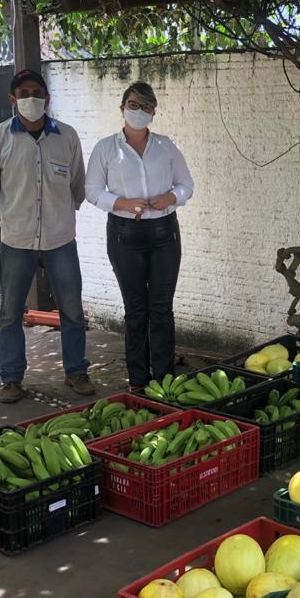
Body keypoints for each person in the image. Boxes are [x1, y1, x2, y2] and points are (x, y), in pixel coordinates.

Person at [0, 69, 95, 403]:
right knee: (10, 312)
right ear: (12, 99)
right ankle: (11, 378)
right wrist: (8, 216)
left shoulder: (67, 136)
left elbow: (78, 184)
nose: (31, 98)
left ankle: (76, 371)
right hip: (16, 240)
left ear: (48, 98)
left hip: (60, 239)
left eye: (37, 93)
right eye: (24, 93)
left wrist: (63, 214)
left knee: (71, 310)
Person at [85, 81, 193, 392]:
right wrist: (122, 203)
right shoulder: (106, 148)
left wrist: (171, 198)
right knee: (135, 309)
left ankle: (165, 379)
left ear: (153, 112)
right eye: (133, 105)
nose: (139, 111)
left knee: (161, 309)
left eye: (146, 107)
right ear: (122, 108)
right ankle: (138, 381)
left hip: (164, 233)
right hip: (125, 235)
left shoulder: (166, 146)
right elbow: (92, 190)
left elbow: (186, 185)